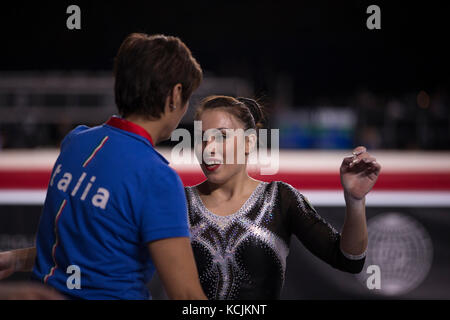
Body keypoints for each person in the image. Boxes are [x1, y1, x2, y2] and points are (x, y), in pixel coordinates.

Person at [1, 95, 381, 300]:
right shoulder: (175, 201)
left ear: (250, 143)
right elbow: (93, 249)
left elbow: (348, 260)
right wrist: (16, 258)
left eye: (223, 137)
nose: (209, 149)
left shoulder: (280, 199)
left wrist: (355, 202)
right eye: (203, 137)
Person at [0, 33, 207, 300]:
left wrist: (17, 259)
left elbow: (82, 247)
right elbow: (187, 296)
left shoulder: (75, 143)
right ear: (175, 95)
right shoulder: (157, 177)